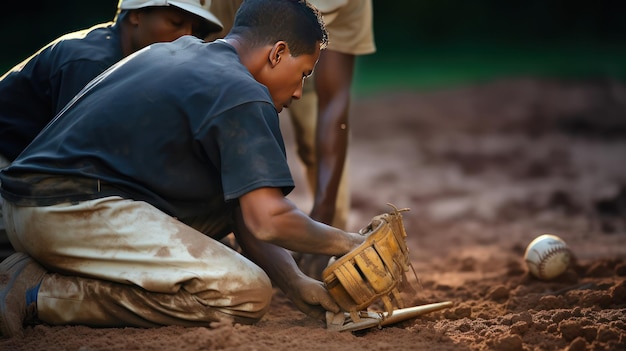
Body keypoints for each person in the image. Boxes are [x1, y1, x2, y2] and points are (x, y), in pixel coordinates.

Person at [0, 0, 365, 338]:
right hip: (67, 211)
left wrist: (296, 282)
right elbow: (268, 220)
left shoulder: (175, 52)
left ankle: (37, 266)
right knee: (246, 292)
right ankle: (39, 293)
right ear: (278, 53)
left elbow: (239, 211)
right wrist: (350, 242)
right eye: (303, 73)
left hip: (27, 206)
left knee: (224, 212)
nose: (300, 91)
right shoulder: (243, 92)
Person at [0, 0, 224, 261]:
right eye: (176, 23)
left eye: (195, 30)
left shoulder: (139, 68)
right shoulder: (91, 63)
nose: (187, 36)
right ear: (137, 15)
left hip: (27, 177)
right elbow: (79, 172)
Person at [206, 0, 376, 279]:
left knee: (312, 136)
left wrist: (323, 218)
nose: (297, 93)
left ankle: (315, 247)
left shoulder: (351, 5)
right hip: (231, 44)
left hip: (302, 56)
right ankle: (218, 232)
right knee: (223, 121)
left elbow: (333, 102)